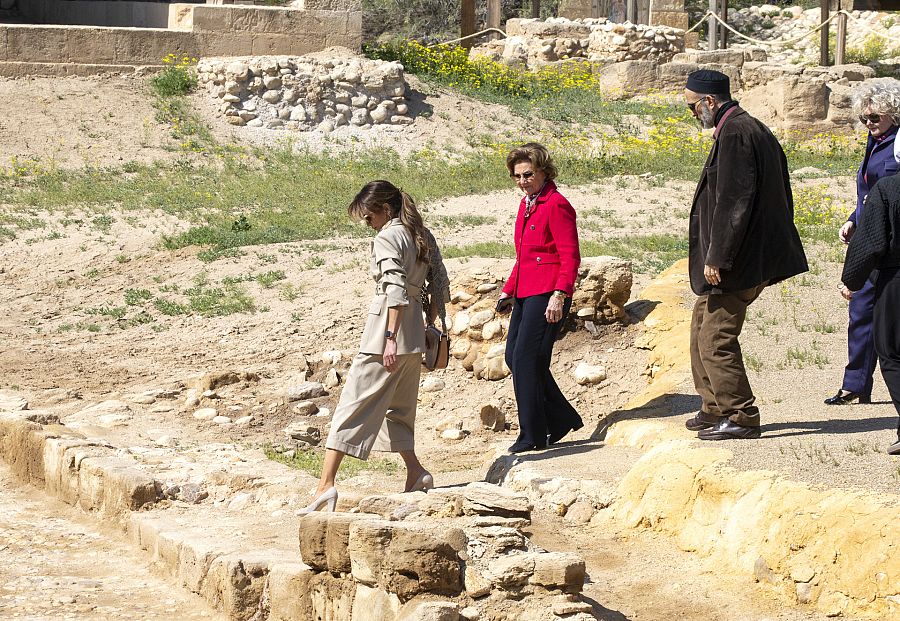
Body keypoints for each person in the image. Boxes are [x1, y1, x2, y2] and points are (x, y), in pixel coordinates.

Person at [298, 180, 449, 513]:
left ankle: (326, 486)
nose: (368, 223)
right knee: (399, 409)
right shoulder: (420, 233)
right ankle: (416, 472)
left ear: (386, 209)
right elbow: (439, 281)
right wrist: (429, 322)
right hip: (415, 337)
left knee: (351, 406)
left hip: (385, 336)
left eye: (369, 216)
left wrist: (390, 338)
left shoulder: (387, 237)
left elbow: (394, 289)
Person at [682, 70, 808, 441]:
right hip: (745, 253)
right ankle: (714, 407)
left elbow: (734, 200)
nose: (692, 113)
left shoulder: (737, 133)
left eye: (692, 106)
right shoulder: (746, 127)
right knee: (700, 325)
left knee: (716, 338)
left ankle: (740, 415)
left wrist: (718, 256)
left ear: (709, 101)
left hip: (738, 259)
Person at [497, 143, 583, 453]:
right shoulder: (527, 204)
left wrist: (560, 295)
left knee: (526, 360)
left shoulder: (556, 204)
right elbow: (524, 255)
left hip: (548, 292)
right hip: (525, 290)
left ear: (544, 172)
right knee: (514, 357)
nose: (522, 181)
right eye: (517, 176)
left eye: (528, 174)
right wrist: (508, 289)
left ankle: (532, 434)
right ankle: (560, 418)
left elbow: (570, 256)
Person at [828, 79, 900, 406]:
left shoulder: (896, 145)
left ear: (893, 113)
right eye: (864, 118)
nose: (869, 124)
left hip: (888, 241)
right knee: (860, 311)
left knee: (884, 320)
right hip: (870, 232)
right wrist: (853, 219)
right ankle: (855, 383)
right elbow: (869, 193)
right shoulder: (876, 142)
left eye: (874, 118)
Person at [841, 174, 900, 455]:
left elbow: (871, 242)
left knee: (891, 353)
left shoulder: (888, 187)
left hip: (895, 279)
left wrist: (851, 280)